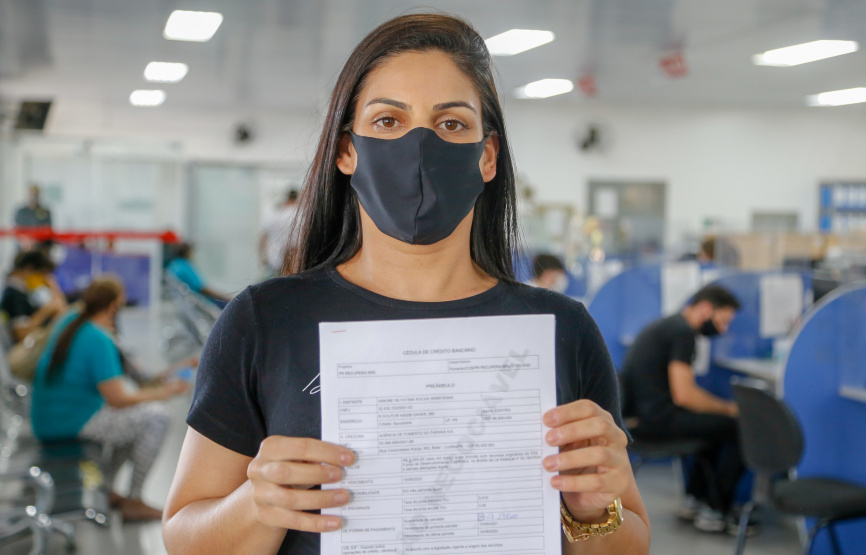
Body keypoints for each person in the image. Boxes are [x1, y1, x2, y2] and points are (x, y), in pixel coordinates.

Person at [163, 13, 650, 555]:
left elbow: (631, 540)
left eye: (451, 124)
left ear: (487, 157)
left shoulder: (561, 330)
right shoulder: (266, 321)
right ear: (346, 151)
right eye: (389, 121)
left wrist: (590, 510)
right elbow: (185, 536)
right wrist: (257, 505)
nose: (420, 146)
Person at [30, 276, 191, 521]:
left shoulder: (71, 321)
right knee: (156, 418)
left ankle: (108, 489)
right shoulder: (98, 338)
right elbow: (118, 399)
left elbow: (134, 382)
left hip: (48, 419)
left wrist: (169, 376)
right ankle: (133, 500)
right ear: (114, 306)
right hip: (69, 421)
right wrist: (164, 393)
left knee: (135, 423)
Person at [622, 284, 745, 533]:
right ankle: (717, 509)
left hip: (641, 419)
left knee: (709, 432)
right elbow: (684, 395)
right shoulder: (683, 333)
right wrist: (729, 408)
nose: (723, 329)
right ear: (706, 309)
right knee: (738, 428)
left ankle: (695, 499)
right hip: (656, 422)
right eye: (722, 321)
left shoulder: (667, 325)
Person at [1, 250, 67, 344]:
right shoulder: (14, 294)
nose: (43, 280)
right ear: (29, 269)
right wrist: (45, 311)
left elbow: (62, 309)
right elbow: (20, 333)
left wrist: (53, 287)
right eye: (42, 275)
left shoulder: (24, 290)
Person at [165, 242, 230, 305]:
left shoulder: (173, 265)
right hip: (201, 302)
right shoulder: (184, 267)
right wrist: (225, 297)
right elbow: (202, 288)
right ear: (187, 252)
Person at [259, 188, 300, 276]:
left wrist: (263, 258)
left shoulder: (274, 216)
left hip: (275, 262)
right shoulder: (304, 215)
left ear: (286, 199)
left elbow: (262, 240)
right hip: (299, 264)